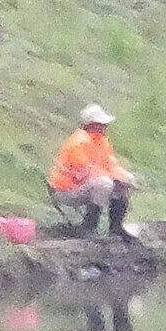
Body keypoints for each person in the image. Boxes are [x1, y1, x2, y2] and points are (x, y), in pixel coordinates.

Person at [49, 101, 138, 239]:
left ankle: (115, 228)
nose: (105, 126)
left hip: (84, 186)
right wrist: (113, 178)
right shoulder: (78, 142)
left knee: (121, 183)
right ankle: (89, 227)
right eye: (101, 123)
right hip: (67, 190)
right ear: (92, 125)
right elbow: (86, 173)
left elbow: (110, 164)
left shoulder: (101, 141)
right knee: (103, 184)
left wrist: (125, 178)